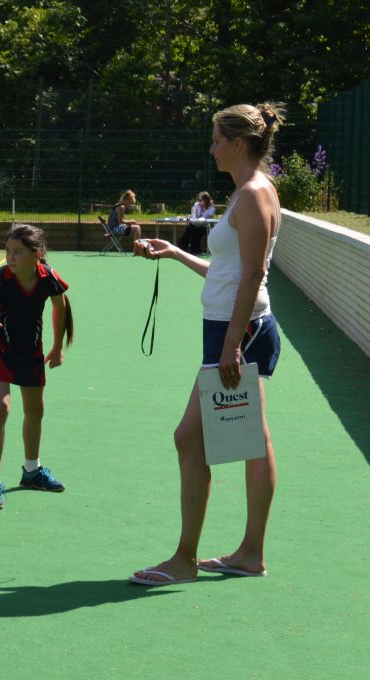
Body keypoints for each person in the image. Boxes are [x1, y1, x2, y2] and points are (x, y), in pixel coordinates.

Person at [130, 103, 286, 587]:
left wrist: (231, 345)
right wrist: (175, 252)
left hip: (238, 334)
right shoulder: (247, 193)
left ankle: (186, 560)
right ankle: (249, 554)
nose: (211, 146)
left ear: (238, 144)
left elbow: (255, 275)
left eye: (217, 138)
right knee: (250, 442)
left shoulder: (253, 196)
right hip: (233, 331)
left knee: (191, 438)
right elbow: (231, 271)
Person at [0, 225, 74, 510]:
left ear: (37, 254)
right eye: (8, 251)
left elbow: (60, 307)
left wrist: (57, 347)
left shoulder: (47, 277)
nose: (10, 257)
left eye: (17, 252)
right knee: (1, 407)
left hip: (31, 350)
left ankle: (32, 471)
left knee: (35, 411)